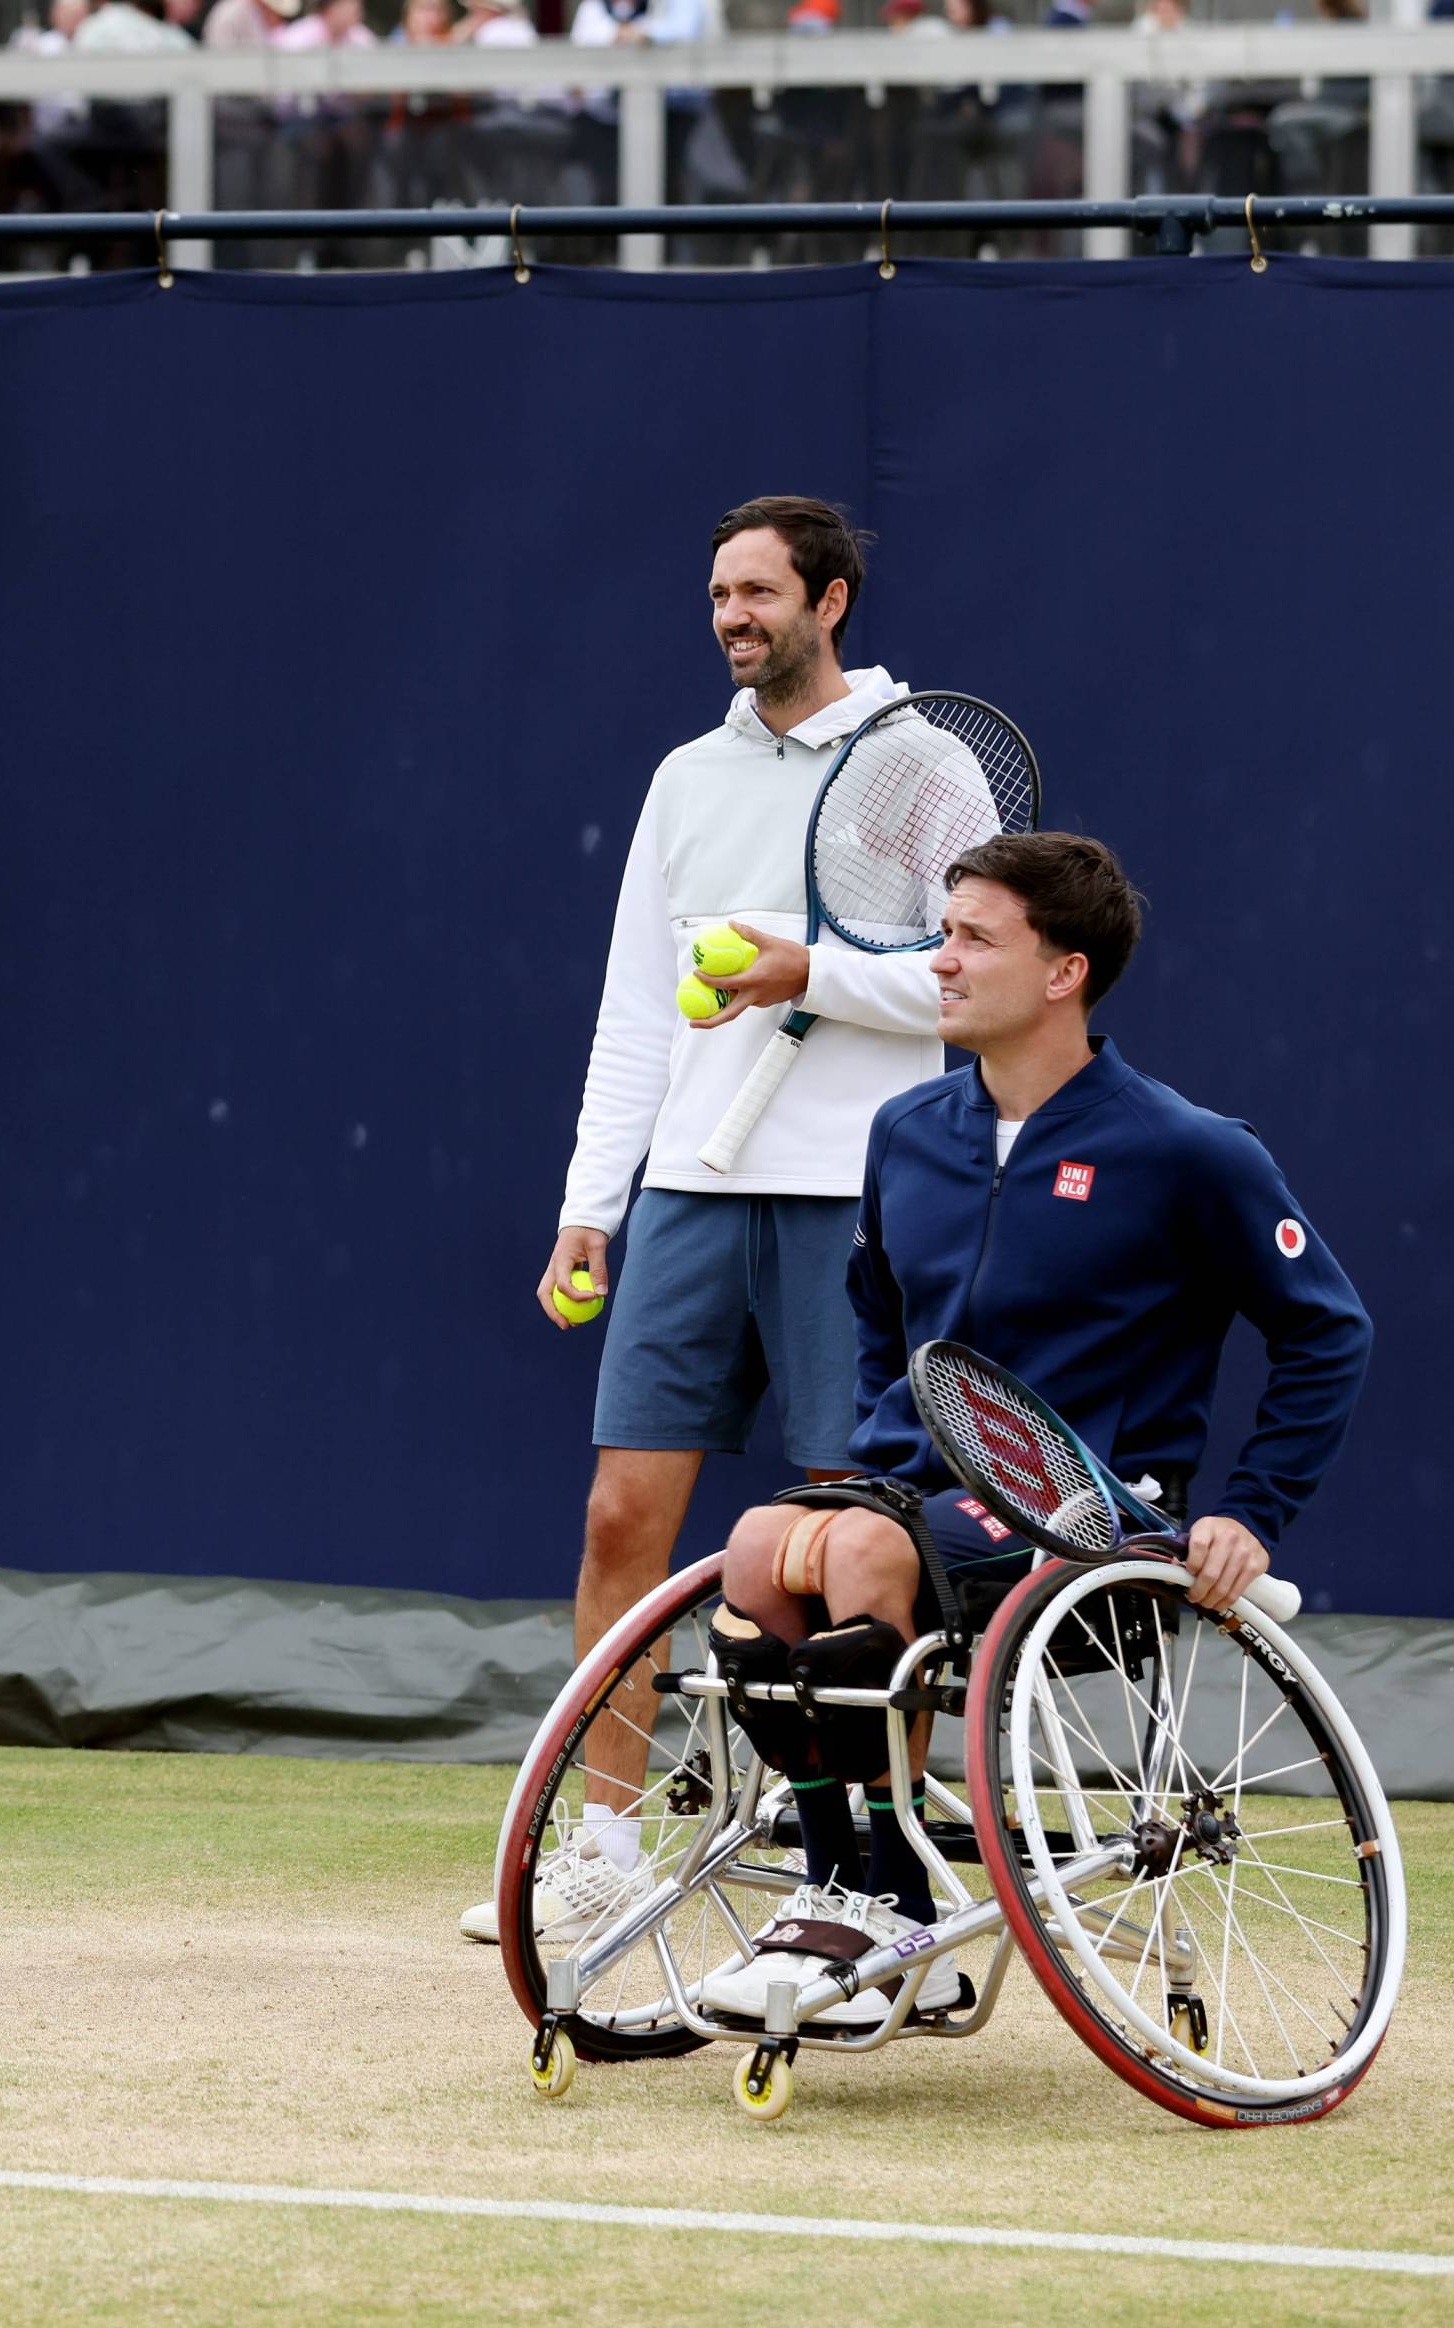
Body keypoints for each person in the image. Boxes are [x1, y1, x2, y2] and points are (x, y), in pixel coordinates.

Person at [691, 833, 1371, 2027]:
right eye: (942, 934)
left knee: (850, 1553)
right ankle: (847, 1889)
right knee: (755, 1546)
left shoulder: (1190, 1151)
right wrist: (869, 1463)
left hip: (1094, 1523)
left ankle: (886, 1917)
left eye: (971, 940)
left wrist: (1249, 1512)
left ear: (1063, 972)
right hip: (915, 1503)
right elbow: (876, 1315)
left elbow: (1329, 1334)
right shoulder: (905, 1131)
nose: (939, 963)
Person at [461, 496, 935, 1948]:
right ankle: (601, 1842)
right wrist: (587, 1206)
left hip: (850, 1197)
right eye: (718, 595)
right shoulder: (681, 778)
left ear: (830, 600)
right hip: (685, 1195)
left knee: (851, 1549)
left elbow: (973, 986)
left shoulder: (918, 767)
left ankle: (852, 1862)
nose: (732, 618)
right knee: (620, 1518)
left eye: (759, 594)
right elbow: (628, 1013)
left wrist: (811, 973)